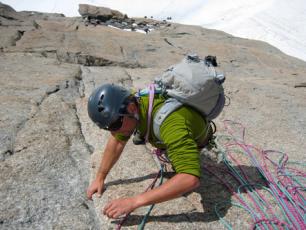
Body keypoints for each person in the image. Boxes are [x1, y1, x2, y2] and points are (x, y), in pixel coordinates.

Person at [86, 83, 211, 219]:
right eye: (107, 128)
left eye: (115, 125)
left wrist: (134, 202)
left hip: (192, 136)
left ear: (132, 108)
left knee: (180, 164)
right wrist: (100, 177)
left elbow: (189, 178)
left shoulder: (171, 125)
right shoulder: (134, 106)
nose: (113, 131)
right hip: (169, 132)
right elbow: (117, 141)